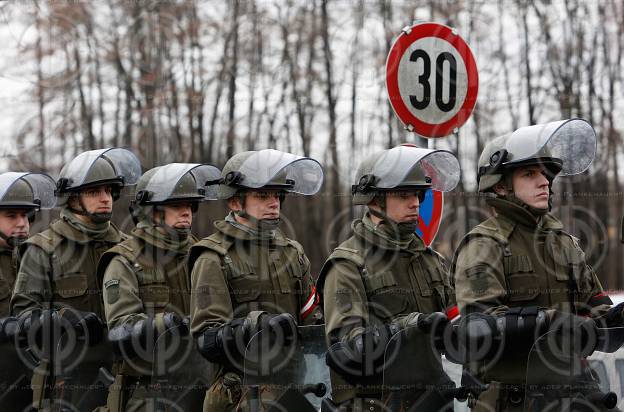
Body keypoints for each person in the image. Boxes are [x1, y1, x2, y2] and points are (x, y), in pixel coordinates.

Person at [452, 119, 623, 411]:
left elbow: (600, 311)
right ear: (502, 186)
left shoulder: (564, 244)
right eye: (530, 174)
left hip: (575, 394)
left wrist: (612, 323)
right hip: (512, 401)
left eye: (545, 174)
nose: (544, 181)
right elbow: (478, 328)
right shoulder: (483, 244)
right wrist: (549, 322)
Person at [317, 145, 461, 411]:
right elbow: (348, 351)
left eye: (419, 194)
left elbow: (456, 333)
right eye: (404, 194)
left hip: (435, 402)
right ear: (374, 200)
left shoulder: (431, 261)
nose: (416, 202)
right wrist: (409, 327)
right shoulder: (347, 265)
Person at [188, 149, 324, 411]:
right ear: (235, 202)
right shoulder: (213, 256)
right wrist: (256, 325)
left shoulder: (292, 252)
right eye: (263, 195)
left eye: (277, 195)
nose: (274, 203)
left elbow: (314, 322)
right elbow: (207, 338)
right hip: (240, 396)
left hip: (296, 391)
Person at [11, 147, 141, 411]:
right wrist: (62, 319)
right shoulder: (43, 249)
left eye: (108, 191)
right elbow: (23, 319)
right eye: (94, 192)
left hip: (125, 379)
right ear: (71, 198)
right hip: (68, 383)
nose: (105, 198)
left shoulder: (130, 247)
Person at [98, 163, 221, 411]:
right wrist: (165, 324)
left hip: (202, 385)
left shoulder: (201, 254)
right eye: (177, 205)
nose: (187, 212)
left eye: (190, 205)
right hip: (147, 390)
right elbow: (120, 330)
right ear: (151, 211)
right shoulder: (124, 259)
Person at [0, 172, 55, 411]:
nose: (22, 223)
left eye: (26, 215)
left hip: (38, 381)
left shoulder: (40, 259)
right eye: (12, 216)